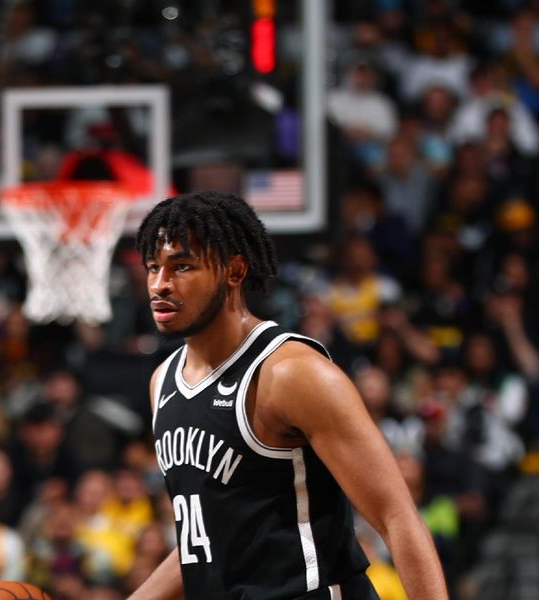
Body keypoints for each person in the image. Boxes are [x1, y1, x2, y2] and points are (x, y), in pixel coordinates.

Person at [127, 191, 448, 599]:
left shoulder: (292, 373)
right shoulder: (163, 382)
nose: (160, 284)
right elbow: (204, 541)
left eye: (182, 266)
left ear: (235, 271)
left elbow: (396, 515)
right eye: (153, 268)